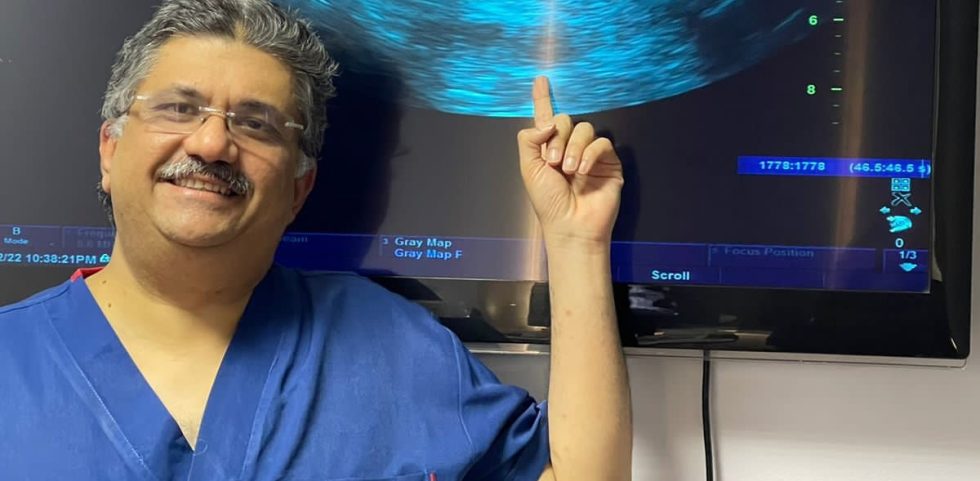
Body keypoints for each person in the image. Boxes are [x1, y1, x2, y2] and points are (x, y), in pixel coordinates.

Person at [0, 0, 631, 479]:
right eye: (179, 108)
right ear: (110, 150)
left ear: (299, 188)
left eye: (257, 123)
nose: (213, 143)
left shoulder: (393, 345)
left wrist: (575, 242)